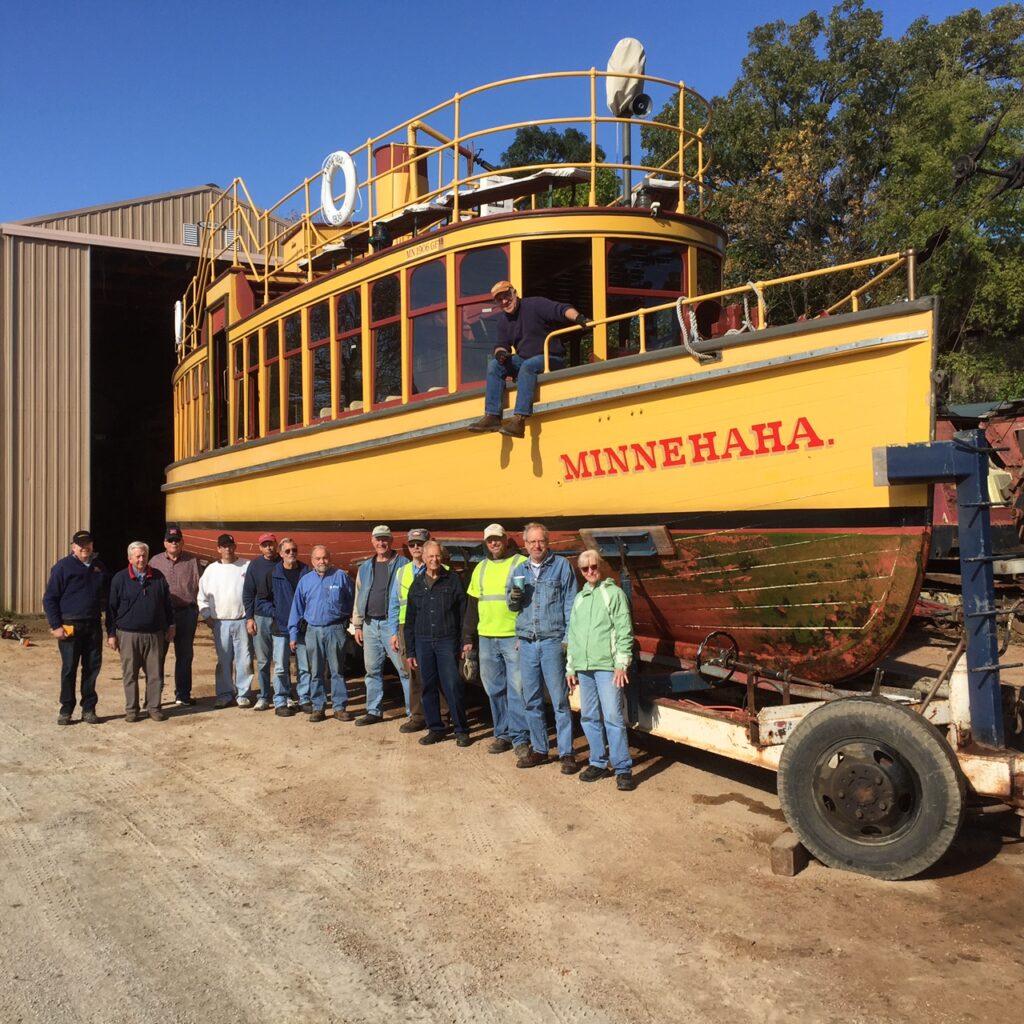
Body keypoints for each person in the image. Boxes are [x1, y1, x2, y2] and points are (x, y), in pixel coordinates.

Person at [468, 280, 590, 438]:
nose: (505, 301)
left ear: (514, 293)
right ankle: (492, 416)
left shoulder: (535, 304)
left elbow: (561, 309)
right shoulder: (503, 322)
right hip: (525, 359)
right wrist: (500, 354)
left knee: (527, 366)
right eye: (500, 299)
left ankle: (519, 420)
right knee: (494, 366)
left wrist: (579, 319)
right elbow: (501, 344)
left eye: (506, 296)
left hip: (551, 358)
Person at [507, 522, 579, 774]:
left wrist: (568, 641)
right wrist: (514, 598)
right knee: (532, 699)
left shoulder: (561, 567)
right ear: (525, 545)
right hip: (527, 642)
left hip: (551, 641)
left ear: (548, 543)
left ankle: (567, 753)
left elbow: (571, 605)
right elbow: (512, 607)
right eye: (532, 542)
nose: (537, 546)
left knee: (559, 700)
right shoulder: (519, 570)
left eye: (541, 541)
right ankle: (539, 748)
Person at [566, 550, 636, 791]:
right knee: (588, 716)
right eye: (584, 569)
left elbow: (624, 629)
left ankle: (623, 768)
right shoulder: (580, 598)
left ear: (601, 566)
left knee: (613, 717)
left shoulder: (614, 594)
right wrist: (570, 666)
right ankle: (597, 761)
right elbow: (572, 635)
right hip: (584, 668)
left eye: (593, 566)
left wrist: (621, 664)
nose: (590, 572)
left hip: (607, 667)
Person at [462, 524, 529, 756]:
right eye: (490, 540)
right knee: (494, 689)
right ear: (485, 543)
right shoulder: (480, 568)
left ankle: (520, 738)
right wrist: (467, 637)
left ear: (506, 539)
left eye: (497, 539)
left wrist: (525, 632)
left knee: (517, 688)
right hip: (487, 637)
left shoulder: (520, 563)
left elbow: (530, 602)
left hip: (513, 637)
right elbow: (472, 605)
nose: (494, 544)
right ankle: (502, 734)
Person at [404, 541, 471, 747]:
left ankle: (461, 729)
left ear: (442, 557)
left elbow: (463, 612)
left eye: (437, 556)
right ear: (423, 558)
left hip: (446, 640)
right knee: (428, 686)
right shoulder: (417, 584)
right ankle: (435, 728)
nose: (434, 560)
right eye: (430, 557)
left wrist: (465, 640)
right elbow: (410, 620)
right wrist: (411, 651)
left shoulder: (452, 581)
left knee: (452, 685)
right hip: (423, 641)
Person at [42, 529, 110, 726]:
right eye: (80, 545)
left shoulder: (99, 568)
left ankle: (89, 708)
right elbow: (50, 598)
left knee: (92, 668)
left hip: (93, 625)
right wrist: (56, 625)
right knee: (69, 669)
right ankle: (66, 709)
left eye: (87, 544)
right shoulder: (62, 567)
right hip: (70, 626)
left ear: (92, 546)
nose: (84, 548)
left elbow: (107, 596)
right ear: (73, 547)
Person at [106, 541, 176, 723]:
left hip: (154, 634)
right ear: (129, 558)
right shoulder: (119, 579)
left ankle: (154, 708)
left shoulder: (158, 577)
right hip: (128, 635)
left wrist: (171, 625)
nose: (141, 559)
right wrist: (111, 634)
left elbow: (167, 605)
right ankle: (132, 710)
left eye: (144, 555)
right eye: (137, 556)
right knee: (130, 674)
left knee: (155, 674)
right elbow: (111, 609)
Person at [351, 525, 410, 726]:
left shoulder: (403, 564)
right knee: (372, 670)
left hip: (391, 624)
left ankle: (414, 713)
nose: (381, 543)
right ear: (372, 541)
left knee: (404, 670)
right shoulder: (365, 567)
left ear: (391, 541)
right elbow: (359, 595)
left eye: (385, 539)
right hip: (369, 624)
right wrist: (357, 625)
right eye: (378, 539)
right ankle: (373, 711)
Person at [289, 545, 354, 722]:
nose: (322, 561)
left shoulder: (340, 576)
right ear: (312, 561)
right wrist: (293, 634)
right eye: (318, 558)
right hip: (313, 630)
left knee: (337, 670)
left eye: (324, 558)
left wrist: (343, 621)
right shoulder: (305, 581)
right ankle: (318, 707)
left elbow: (350, 599)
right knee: (315, 671)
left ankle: (340, 707)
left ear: (329, 558)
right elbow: (297, 608)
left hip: (335, 629)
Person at [387, 527, 439, 732]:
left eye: (420, 544)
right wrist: (393, 632)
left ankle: (441, 715)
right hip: (406, 626)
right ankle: (417, 716)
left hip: (431, 624)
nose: (416, 547)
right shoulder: (402, 572)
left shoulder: (439, 569)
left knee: (436, 671)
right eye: (412, 544)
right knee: (413, 672)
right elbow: (393, 603)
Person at [255, 537, 311, 718]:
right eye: (287, 551)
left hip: (302, 628)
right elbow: (261, 601)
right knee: (280, 667)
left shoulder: (306, 572)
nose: (291, 554)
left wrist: (307, 616)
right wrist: (276, 612)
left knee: (305, 666)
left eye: (294, 550)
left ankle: (304, 698)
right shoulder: (272, 574)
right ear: (280, 554)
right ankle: (280, 700)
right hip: (281, 627)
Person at [197, 533, 252, 708]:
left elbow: (253, 592)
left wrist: (250, 616)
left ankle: (243, 694)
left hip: (241, 620)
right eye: (224, 546)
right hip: (220, 622)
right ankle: (224, 693)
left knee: (244, 659)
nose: (227, 549)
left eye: (230, 545)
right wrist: (207, 616)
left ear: (235, 546)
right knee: (224, 660)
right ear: (218, 549)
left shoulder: (246, 565)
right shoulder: (211, 570)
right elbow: (202, 596)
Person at [150, 525, 201, 706]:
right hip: (162, 615)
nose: (174, 543)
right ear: (165, 542)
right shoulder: (154, 561)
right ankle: (154, 696)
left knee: (185, 655)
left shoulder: (193, 560)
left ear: (182, 542)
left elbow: (200, 585)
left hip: (186, 613)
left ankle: (183, 695)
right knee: (158, 656)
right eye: (170, 540)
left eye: (177, 540)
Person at [243, 531, 280, 711]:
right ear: (260, 547)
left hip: (282, 617)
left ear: (276, 544)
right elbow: (248, 593)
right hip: (261, 616)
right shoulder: (255, 565)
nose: (269, 547)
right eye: (265, 545)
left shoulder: (285, 562)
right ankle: (264, 696)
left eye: (271, 544)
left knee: (282, 660)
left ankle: (284, 694)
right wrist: (249, 618)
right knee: (263, 660)